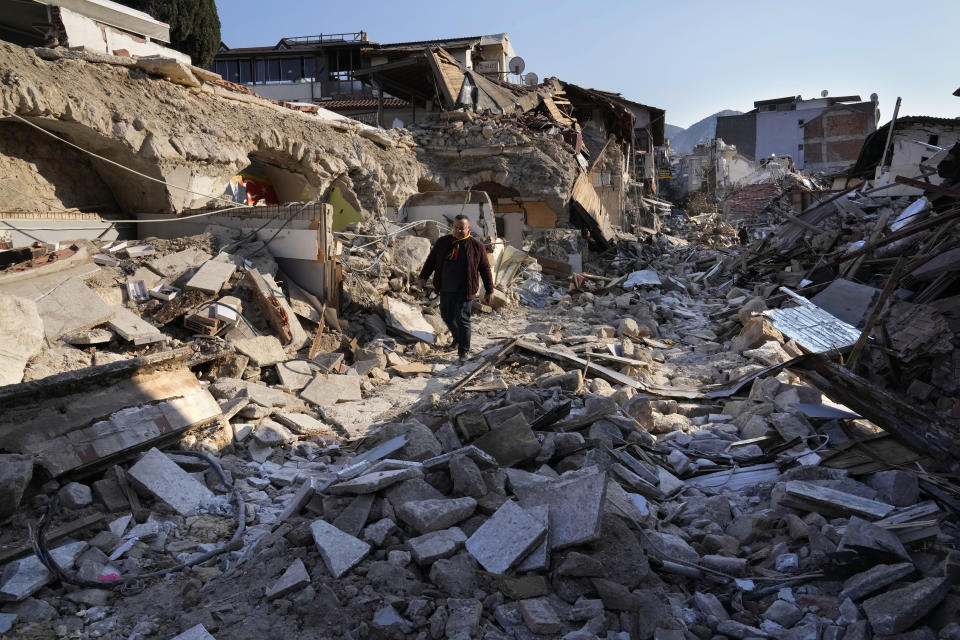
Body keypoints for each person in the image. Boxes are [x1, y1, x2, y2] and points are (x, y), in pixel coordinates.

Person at [416, 215, 494, 363]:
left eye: (461, 228)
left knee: (462, 318)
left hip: (465, 290)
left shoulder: (477, 246)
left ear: (468, 228)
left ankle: (463, 351)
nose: (458, 230)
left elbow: (485, 269)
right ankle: (457, 339)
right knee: (447, 316)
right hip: (445, 288)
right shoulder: (443, 242)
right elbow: (431, 261)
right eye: (456, 227)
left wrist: (490, 290)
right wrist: (422, 279)